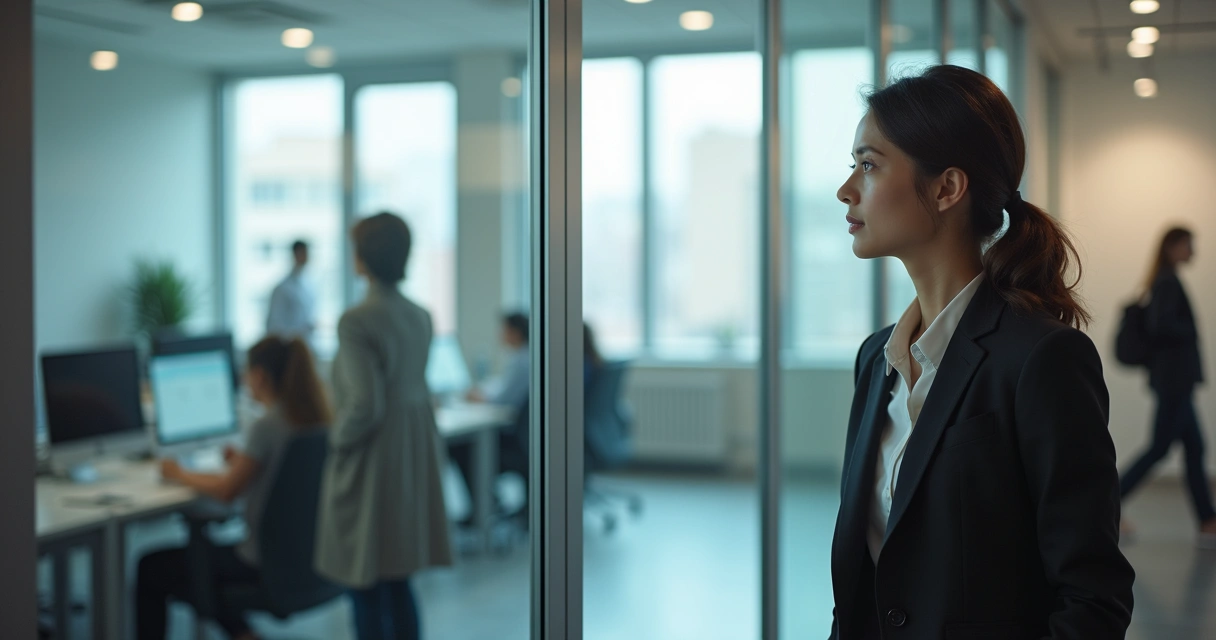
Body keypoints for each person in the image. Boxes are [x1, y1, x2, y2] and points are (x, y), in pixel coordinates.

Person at [829, 65, 1134, 640]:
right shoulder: (877, 360)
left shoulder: (1042, 357)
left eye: (868, 165)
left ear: (947, 188)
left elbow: (1093, 600)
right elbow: (864, 584)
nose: (847, 189)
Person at [136, 337, 331, 640]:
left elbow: (227, 490)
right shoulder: (313, 420)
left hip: (260, 562)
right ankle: (243, 633)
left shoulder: (268, 425)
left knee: (151, 567)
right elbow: (276, 471)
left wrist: (178, 472)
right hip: (307, 559)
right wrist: (243, 460)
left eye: (246, 371)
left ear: (261, 376)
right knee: (201, 570)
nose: (243, 379)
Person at [315, 212, 452, 640]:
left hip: (371, 459)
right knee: (398, 575)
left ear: (363, 258)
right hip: (411, 451)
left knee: (365, 578)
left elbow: (363, 405)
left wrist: (333, 442)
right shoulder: (420, 315)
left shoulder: (357, 320)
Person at [1118, 227, 1215, 543]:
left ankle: (1207, 519)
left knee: (1194, 448)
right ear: (1173, 246)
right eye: (1189, 245)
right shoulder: (1167, 282)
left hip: (1175, 381)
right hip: (1174, 381)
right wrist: (1191, 331)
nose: (1193, 252)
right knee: (1160, 448)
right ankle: (1107, 507)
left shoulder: (1164, 280)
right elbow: (1161, 326)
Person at [466, 312, 530, 408]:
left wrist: (479, 398)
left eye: (504, 330)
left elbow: (502, 399)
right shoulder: (522, 356)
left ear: (515, 333)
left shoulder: (521, 362)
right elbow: (503, 385)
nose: (500, 334)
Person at [266, 240, 317, 345]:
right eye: (303, 253)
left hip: (304, 346)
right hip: (288, 350)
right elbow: (274, 327)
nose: (307, 257)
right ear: (296, 254)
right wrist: (299, 332)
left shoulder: (308, 286)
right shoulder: (282, 289)